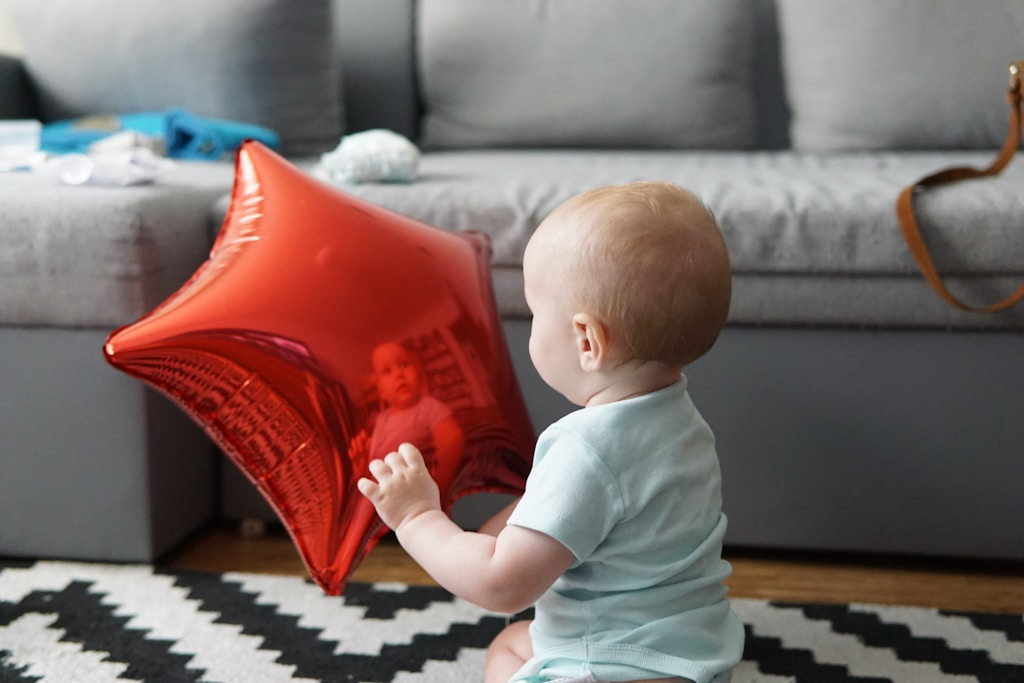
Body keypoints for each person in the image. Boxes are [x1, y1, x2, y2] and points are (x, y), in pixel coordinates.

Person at [358, 181, 743, 683]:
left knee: (507, 651)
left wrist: (415, 517)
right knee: (517, 644)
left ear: (587, 341)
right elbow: (617, 512)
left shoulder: (584, 448)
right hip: (694, 655)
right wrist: (526, 509)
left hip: (605, 667)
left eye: (537, 312)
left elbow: (502, 587)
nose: (531, 325)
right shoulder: (682, 420)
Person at [351, 341, 464, 494]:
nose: (399, 374)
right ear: (381, 391)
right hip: (380, 488)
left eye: (404, 365)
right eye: (387, 371)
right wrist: (362, 466)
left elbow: (453, 438)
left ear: (418, 373)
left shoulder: (427, 407)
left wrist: (438, 487)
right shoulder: (381, 419)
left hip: (409, 492)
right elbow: (374, 456)